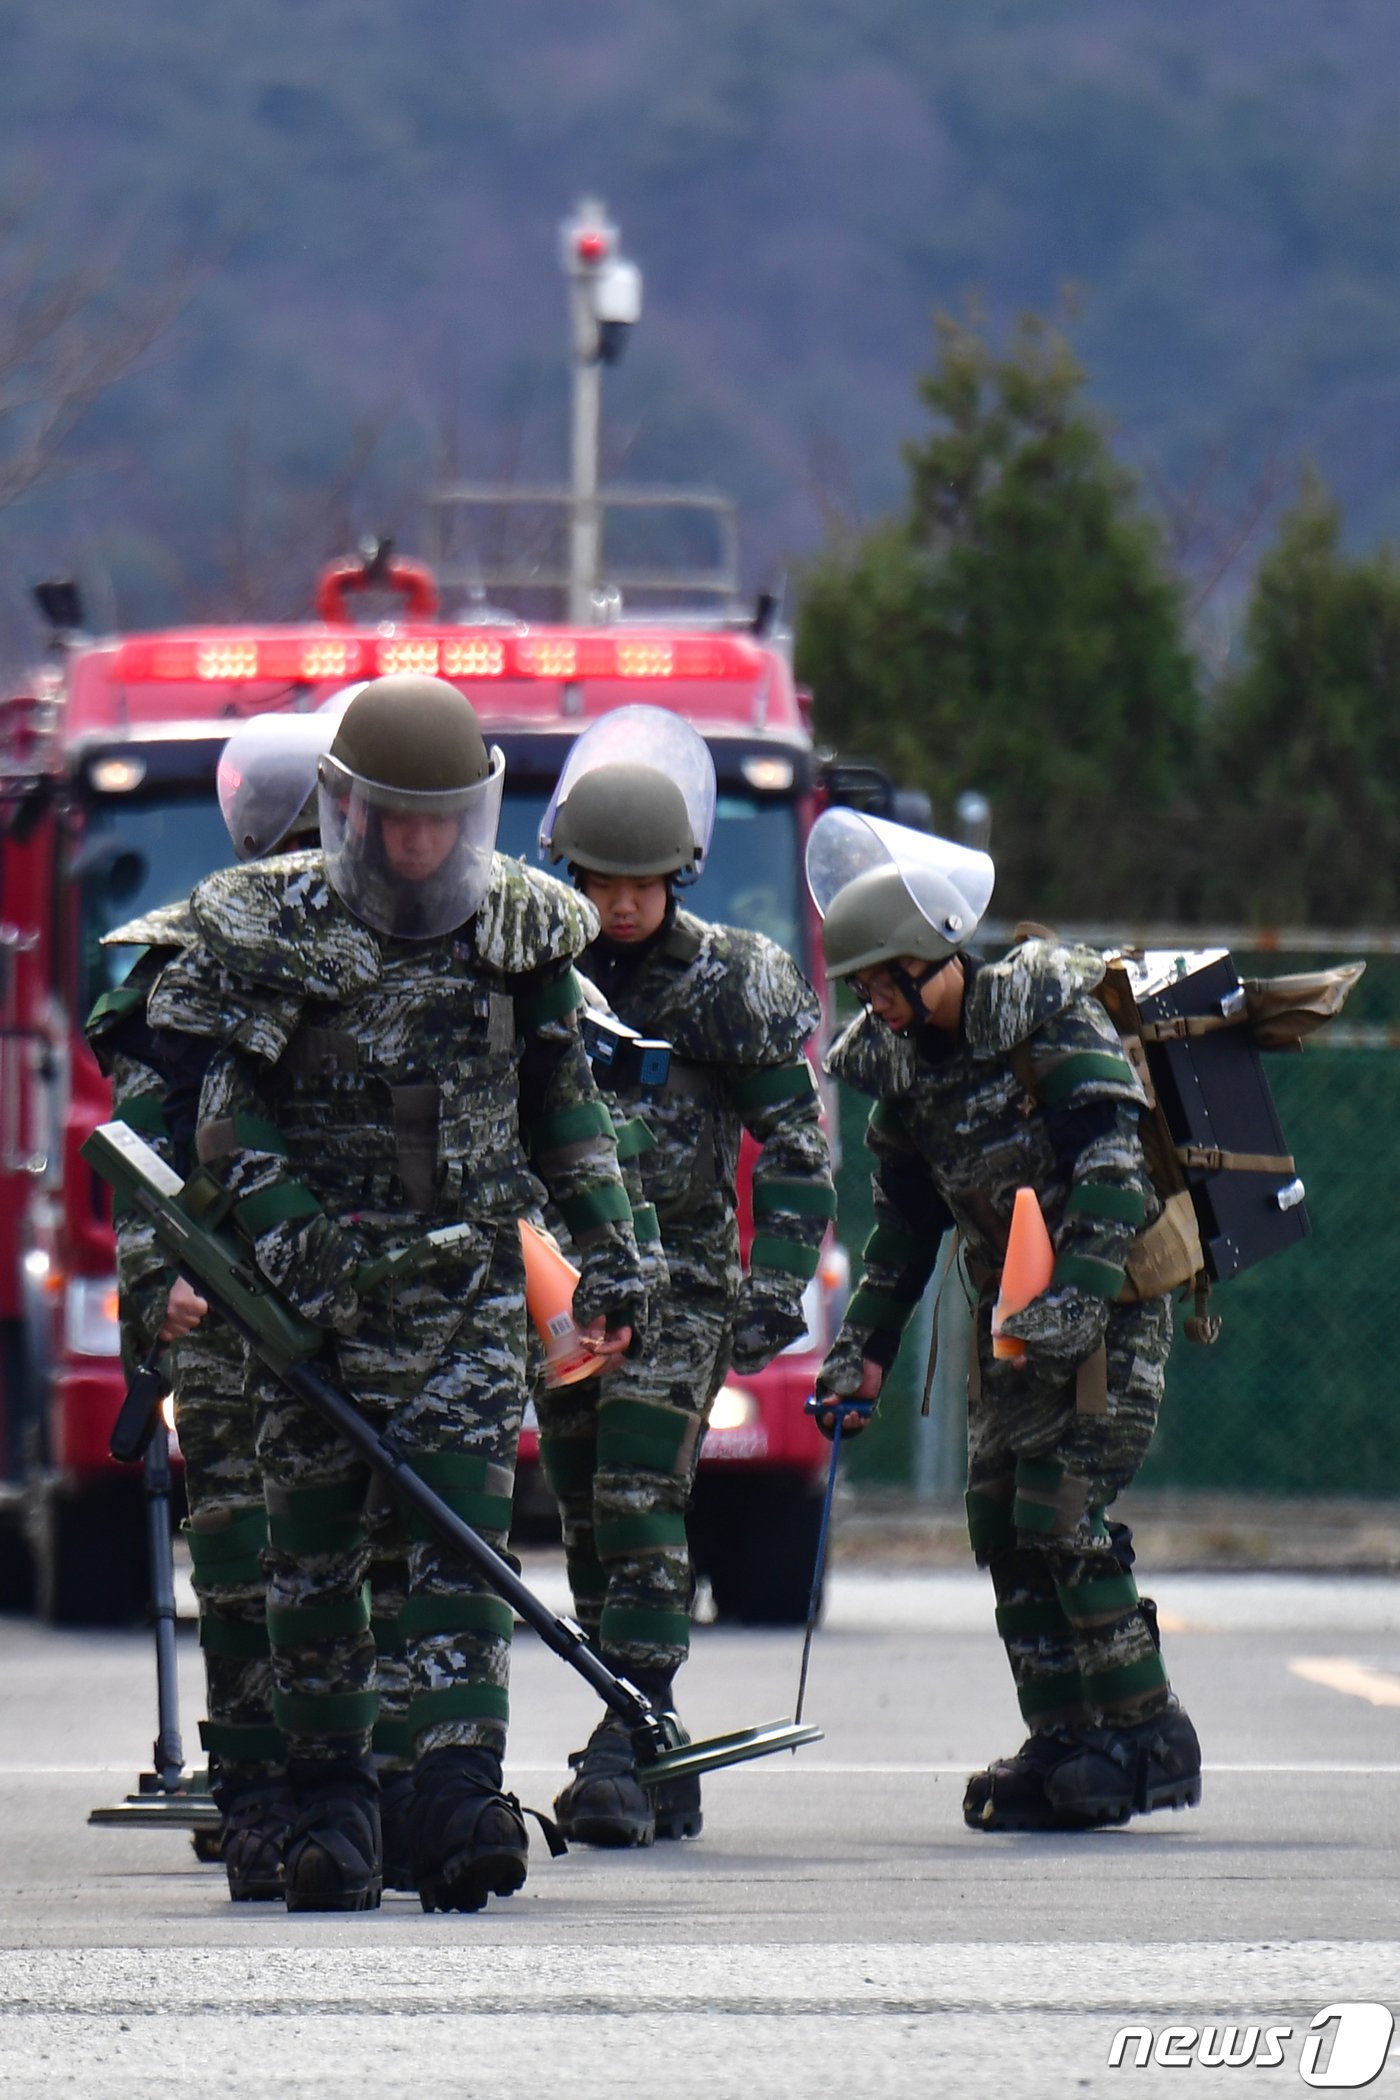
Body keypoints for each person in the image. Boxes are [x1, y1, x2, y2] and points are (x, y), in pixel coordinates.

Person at [145, 673, 648, 1913]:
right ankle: (327, 1807)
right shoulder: (266, 929)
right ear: (348, 812)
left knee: (457, 1549)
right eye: (396, 818)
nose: (419, 844)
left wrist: (613, 1244)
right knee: (310, 1556)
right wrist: (292, 1239)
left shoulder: (523, 932)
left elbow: (563, 1106)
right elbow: (224, 1120)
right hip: (307, 1305)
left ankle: (458, 1796)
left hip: (462, 1294)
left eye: (441, 820)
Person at [807, 809, 1201, 1833]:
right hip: (1012, 1323)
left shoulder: (1040, 1019)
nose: (880, 1004)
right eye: (865, 988)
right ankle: (1065, 1736)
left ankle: (1144, 1731)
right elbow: (902, 1230)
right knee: (999, 1522)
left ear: (939, 951)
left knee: (1059, 1514)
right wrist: (860, 1355)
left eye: (893, 980)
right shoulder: (899, 1073)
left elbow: (1113, 1168)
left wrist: (1074, 1300)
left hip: (1104, 1314)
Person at [537, 705, 836, 1847]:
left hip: (679, 1289)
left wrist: (773, 1287)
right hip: (563, 1289)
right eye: (602, 879)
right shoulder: (538, 973)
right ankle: (655, 1743)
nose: (620, 903)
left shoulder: (731, 983)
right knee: (580, 1516)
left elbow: (798, 1148)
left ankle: (623, 1739)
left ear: (678, 875)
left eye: (642, 882)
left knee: (635, 1493)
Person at [87, 710, 335, 1901]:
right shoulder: (183, 960)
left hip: (353, 1299)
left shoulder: (407, 938)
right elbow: (141, 1155)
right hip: (235, 1304)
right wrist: (160, 1291)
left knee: (338, 1552)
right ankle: (256, 1793)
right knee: (244, 1555)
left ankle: (356, 1781)